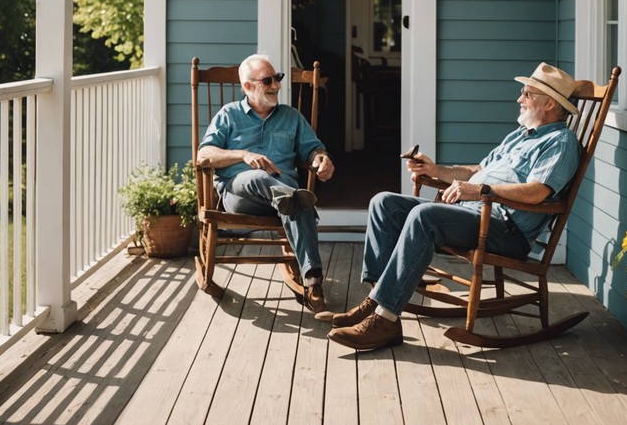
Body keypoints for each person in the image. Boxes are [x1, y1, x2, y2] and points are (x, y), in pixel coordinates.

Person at [327, 62, 581, 351]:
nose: (519, 99)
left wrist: (481, 191)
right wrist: (436, 170)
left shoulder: (561, 142)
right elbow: (477, 171)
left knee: (425, 216)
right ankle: (377, 303)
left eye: (526, 93)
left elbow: (537, 192)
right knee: (384, 203)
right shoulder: (519, 136)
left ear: (548, 103)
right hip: (475, 212)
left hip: (504, 228)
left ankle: (384, 318)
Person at [196, 53, 335, 319]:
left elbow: (313, 150)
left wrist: (321, 159)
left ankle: (313, 283)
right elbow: (204, 156)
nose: (277, 85)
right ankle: (291, 198)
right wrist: (243, 155)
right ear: (247, 86)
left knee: (296, 201)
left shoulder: (291, 117)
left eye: (278, 78)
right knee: (262, 178)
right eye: (268, 80)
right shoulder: (228, 115)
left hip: (282, 198)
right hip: (239, 194)